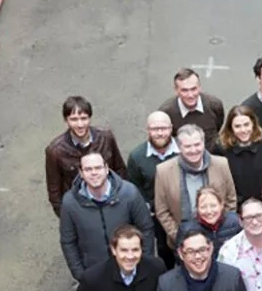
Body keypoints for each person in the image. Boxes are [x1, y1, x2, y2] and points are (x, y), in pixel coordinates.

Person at [60, 153, 154, 282]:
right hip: (95, 274)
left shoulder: (129, 193)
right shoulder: (70, 202)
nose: (94, 173)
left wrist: (144, 262)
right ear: (81, 173)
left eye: (98, 168)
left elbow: (146, 228)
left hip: (130, 267)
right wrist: (80, 274)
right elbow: (68, 241)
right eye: (88, 169)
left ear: (106, 169)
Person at [154, 124, 237, 252]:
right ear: (179, 147)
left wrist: (222, 230)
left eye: (197, 144)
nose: (193, 150)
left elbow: (231, 199)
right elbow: (161, 210)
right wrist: (180, 236)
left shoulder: (221, 164)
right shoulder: (163, 171)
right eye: (188, 146)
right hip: (183, 244)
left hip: (220, 239)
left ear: (203, 143)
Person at [45, 96, 127, 217]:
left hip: (111, 203)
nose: (80, 124)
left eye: (84, 118)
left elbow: (120, 170)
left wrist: (122, 202)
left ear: (90, 118)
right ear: (66, 120)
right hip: (79, 210)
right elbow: (54, 192)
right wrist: (68, 218)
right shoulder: (55, 151)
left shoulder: (106, 137)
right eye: (74, 119)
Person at [127, 111, 180, 269]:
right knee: (164, 252)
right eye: (155, 129)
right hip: (157, 216)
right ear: (147, 130)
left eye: (164, 128)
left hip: (183, 211)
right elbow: (135, 187)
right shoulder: (137, 156)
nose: (160, 133)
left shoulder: (185, 149)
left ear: (171, 128)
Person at [215, 105, 262, 205]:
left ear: (253, 124)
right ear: (231, 128)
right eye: (237, 126)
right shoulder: (221, 148)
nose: (243, 130)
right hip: (237, 206)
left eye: (246, 124)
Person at [158, 67, 225, 152]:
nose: (190, 95)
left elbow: (218, 124)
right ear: (176, 90)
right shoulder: (166, 113)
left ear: (199, 87)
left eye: (193, 89)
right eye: (184, 90)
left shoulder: (214, 105)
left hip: (210, 154)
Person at [177, 187, 241, 260]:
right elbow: (180, 259)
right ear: (197, 208)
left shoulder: (235, 222)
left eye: (213, 206)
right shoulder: (186, 229)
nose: (209, 211)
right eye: (203, 207)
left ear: (221, 205)